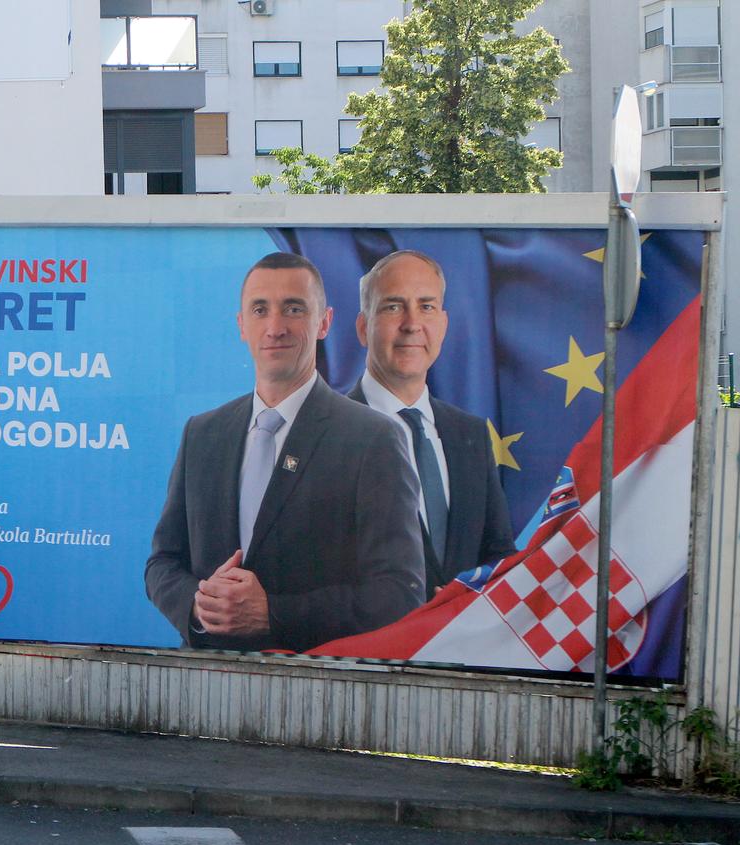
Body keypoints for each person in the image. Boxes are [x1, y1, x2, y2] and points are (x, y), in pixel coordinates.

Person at [146, 252, 426, 652]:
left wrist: (274, 612)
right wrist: (197, 606)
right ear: (242, 325)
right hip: (207, 688)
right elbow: (163, 563)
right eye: (260, 310)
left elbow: (400, 593)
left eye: (293, 309)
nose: (275, 327)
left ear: (324, 322)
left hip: (319, 692)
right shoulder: (202, 434)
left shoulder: (373, 439)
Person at [350, 249, 517, 597]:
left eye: (426, 306)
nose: (412, 323)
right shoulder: (323, 434)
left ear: (442, 325)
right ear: (364, 327)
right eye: (393, 306)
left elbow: (500, 557)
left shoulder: (468, 434)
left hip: (458, 648)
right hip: (364, 649)